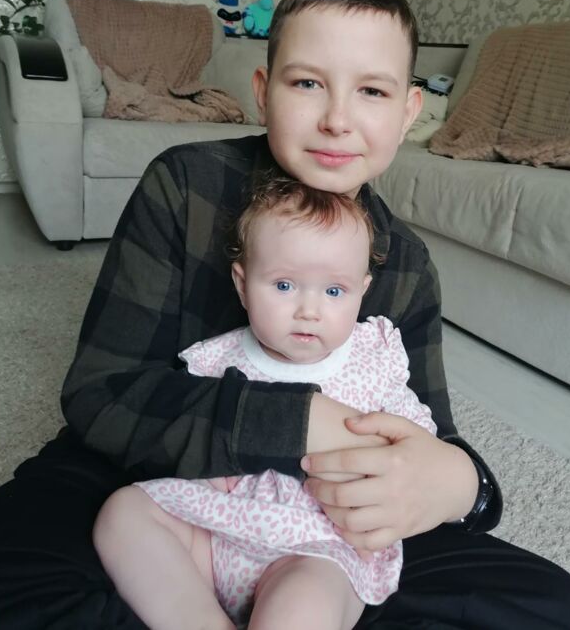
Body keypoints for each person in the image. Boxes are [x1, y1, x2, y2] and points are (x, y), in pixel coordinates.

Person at [0, 0, 570, 630]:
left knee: (557, 612)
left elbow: (431, 434)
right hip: (160, 480)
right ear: (263, 93)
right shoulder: (186, 187)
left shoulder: (405, 264)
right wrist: (299, 421)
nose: (337, 120)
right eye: (307, 83)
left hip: (323, 528)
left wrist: (464, 485)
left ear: (407, 113)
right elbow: (101, 398)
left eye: (372, 91)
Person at [94, 178, 439, 630]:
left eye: (334, 292)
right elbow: (182, 424)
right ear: (242, 285)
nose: (309, 310)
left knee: (301, 606)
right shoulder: (217, 357)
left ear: (362, 290)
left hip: (318, 543)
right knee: (123, 513)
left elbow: (417, 444)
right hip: (216, 527)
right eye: (284, 285)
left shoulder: (372, 357)